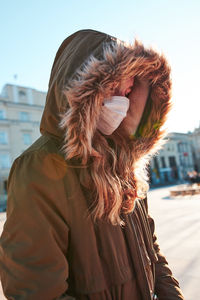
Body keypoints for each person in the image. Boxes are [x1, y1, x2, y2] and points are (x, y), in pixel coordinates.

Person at [0, 29, 184, 300]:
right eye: (113, 87)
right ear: (80, 90)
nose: (122, 99)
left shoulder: (125, 164)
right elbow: (36, 291)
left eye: (129, 89)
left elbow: (152, 253)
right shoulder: (39, 167)